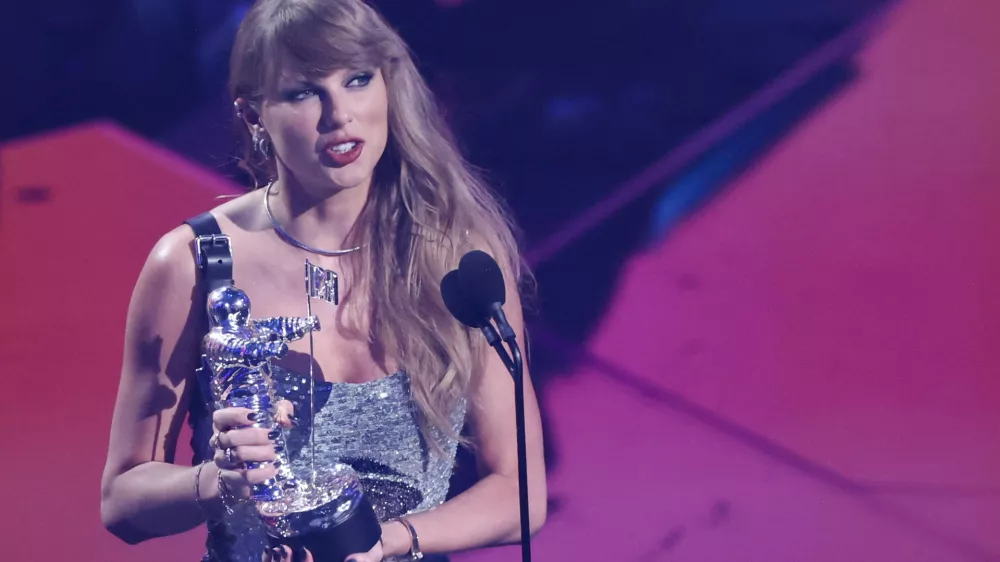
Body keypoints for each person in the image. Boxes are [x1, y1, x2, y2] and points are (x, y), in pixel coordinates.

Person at [99, 0, 547, 560]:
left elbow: (518, 493)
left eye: (357, 80)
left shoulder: (454, 254)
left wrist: (387, 543)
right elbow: (122, 502)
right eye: (303, 92)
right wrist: (219, 480)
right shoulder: (193, 263)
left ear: (389, 87)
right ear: (253, 115)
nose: (339, 113)